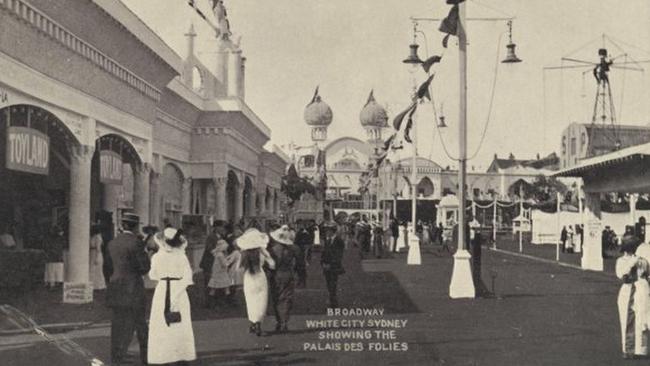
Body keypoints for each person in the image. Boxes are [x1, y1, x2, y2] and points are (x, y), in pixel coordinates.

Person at [105, 213, 151, 366]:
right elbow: (144, 267)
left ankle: (117, 359)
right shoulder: (136, 243)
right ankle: (145, 359)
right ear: (136, 226)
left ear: (123, 225)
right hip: (134, 291)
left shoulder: (112, 243)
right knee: (140, 326)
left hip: (116, 289)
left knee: (117, 326)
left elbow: (107, 268)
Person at [147, 227, 196, 365]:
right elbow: (188, 277)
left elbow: (152, 275)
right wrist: (177, 291)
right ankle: (181, 353)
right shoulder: (182, 256)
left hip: (162, 290)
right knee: (181, 322)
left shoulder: (157, 256)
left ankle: (162, 354)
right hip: (179, 290)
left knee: (160, 323)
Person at [616, 238, 650, 359]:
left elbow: (647, 274)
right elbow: (623, 276)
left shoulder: (643, 260)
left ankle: (640, 350)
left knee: (642, 320)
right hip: (628, 290)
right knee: (627, 320)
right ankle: (628, 349)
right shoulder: (622, 261)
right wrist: (632, 263)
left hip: (641, 290)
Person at [238, 228, 275, 336]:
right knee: (261, 301)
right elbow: (272, 264)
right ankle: (258, 325)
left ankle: (252, 323)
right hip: (260, 276)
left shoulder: (244, 253)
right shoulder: (262, 251)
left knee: (250, 301)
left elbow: (239, 268)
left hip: (248, 277)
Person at [269, 225, 301, 332]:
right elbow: (299, 263)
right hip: (288, 274)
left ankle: (279, 321)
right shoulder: (293, 249)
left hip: (276, 275)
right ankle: (284, 321)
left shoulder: (272, 250)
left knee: (276, 298)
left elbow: (268, 265)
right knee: (287, 298)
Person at [200, 221, 226, 307]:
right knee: (209, 282)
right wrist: (218, 252)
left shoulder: (221, 237)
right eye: (221, 227)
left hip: (217, 263)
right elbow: (209, 248)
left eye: (223, 227)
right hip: (209, 263)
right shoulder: (211, 237)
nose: (222, 229)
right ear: (215, 227)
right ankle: (209, 302)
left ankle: (217, 301)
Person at [321, 221, 345, 308]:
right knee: (329, 284)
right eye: (326, 230)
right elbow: (324, 253)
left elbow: (338, 255)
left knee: (333, 284)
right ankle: (332, 300)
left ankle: (333, 302)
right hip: (326, 266)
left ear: (332, 231)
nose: (326, 232)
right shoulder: (328, 240)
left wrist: (331, 264)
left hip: (334, 267)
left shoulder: (338, 241)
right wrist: (323, 263)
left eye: (328, 230)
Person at [207, 237, 233, 306]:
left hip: (218, 272)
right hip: (220, 272)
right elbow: (223, 264)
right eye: (225, 247)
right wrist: (230, 262)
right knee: (226, 287)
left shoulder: (218, 254)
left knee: (214, 288)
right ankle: (227, 301)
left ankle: (211, 302)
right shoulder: (220, 255)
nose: (226, 248)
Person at [44, 225, 65, 289]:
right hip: (57, 257)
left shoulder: (49, 239)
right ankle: (56, 283)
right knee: (57, 271)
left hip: (51, 258)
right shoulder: (60, 239)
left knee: (51, 271)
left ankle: (52, 284)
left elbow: (46, 247)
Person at [294, 221, 311, 288]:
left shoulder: (305, 233)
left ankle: (302, 282)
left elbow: (306, 245)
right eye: (298, 225)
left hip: (302, 252)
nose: (298, 226)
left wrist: (305, 256)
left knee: (301, 268)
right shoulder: (299, 232)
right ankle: (300, 281)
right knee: (298, 268)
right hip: (298, 252)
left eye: (299, 225)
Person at [89, 224, 106, 291]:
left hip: (96, 253)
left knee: (97, 270)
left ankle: (99, 286)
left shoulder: (98, 237)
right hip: (92, 253)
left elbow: (98, 248)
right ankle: (93, 286)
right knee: (92, 270)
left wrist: (97, 258)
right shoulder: (92, 236)